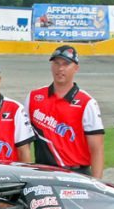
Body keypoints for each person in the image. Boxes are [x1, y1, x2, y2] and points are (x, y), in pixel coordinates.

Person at [27, 45, 104, 177]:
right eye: (56, 63)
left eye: (66, 64)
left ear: (76, 68)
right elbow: (23, 143)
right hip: (43, 174)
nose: (60, 68)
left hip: (76, 173)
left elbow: (97, 149)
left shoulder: (87, 102)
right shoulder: (34, 97)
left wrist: (97, 184)